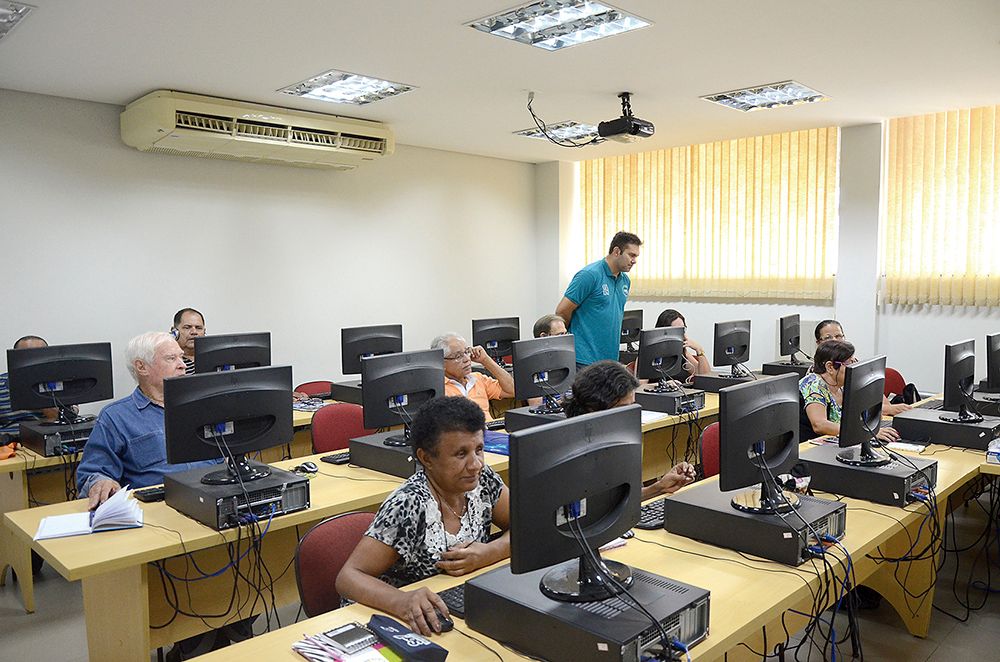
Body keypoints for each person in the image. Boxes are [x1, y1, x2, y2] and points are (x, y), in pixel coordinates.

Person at [336, 397, 510, 636]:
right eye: (461, 454)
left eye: (479, 449)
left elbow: (530, 525)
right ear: (426, 458)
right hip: (403, 620)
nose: (476, 464)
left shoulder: (483, 480)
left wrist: (493, 551)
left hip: (455, 606)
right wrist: (402, 601)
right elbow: (348, 578)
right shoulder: (409, 503)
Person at [76, 332, 219, 508]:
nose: (182, 365)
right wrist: (100, 482)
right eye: (171, 358)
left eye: (181, 357)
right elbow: (93, 472)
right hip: (159, 509)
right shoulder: (116, 417)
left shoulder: (202, 408)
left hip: (212, 499)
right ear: (141, 367)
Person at [564, 360, 696, 500]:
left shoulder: (620, 440)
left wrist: (660, 487)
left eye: (632, 407)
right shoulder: (570, 450)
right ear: (594, 407)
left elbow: (625, 499)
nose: (629, 416)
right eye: (622, 409)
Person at [556, 231, 641, 368]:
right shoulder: (589, 275)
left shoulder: (625, 280)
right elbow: (562, 311)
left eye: (636, 256)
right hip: (583, 359)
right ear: (617, 251)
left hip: (610, 359)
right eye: (631, 255)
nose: (634, 261)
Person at [799, 339, 901, 442]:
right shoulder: (813, 384)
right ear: (830, 367)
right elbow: (819, 425)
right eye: (849, 363)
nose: (854, 366)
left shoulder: (842, 384)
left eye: (854, 361)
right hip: (811, 448)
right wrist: (867, 433)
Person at [813, 320, 912, 416]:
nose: (834, 340)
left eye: (838, 336)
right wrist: (889, 409)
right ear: (818, 343)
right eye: (828, 338)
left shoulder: (853, 363)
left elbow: (878, 400)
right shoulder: (819, 374)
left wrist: (889, 408)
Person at [434, 333, 514, 417]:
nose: (467, 359)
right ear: (441, 362)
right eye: (458, 356)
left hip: (489, 428)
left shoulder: (478, 378)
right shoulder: (439, 389)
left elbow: (512, 390)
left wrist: (485, 360)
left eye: (467, 352)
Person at [1, 335, 58, 437]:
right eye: (27, 356)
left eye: (39, 355)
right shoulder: (2, 383)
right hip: (9, 444)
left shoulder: (57, 383)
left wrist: (38, 394)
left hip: (47, 440)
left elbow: (68, 418)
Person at [655, 309, 712, 378]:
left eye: (683, 329)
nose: (681, 334)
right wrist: (662, 385)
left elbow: (705, 376)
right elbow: (641, 385)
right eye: (677, 330)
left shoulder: (682, 353)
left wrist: (699, 350)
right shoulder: (649, 353)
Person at [171, 308, 205, 375]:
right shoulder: (168, 361)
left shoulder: (213, 358)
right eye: (187, 327)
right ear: (174, 331)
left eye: (198, 328)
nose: (194, 332)